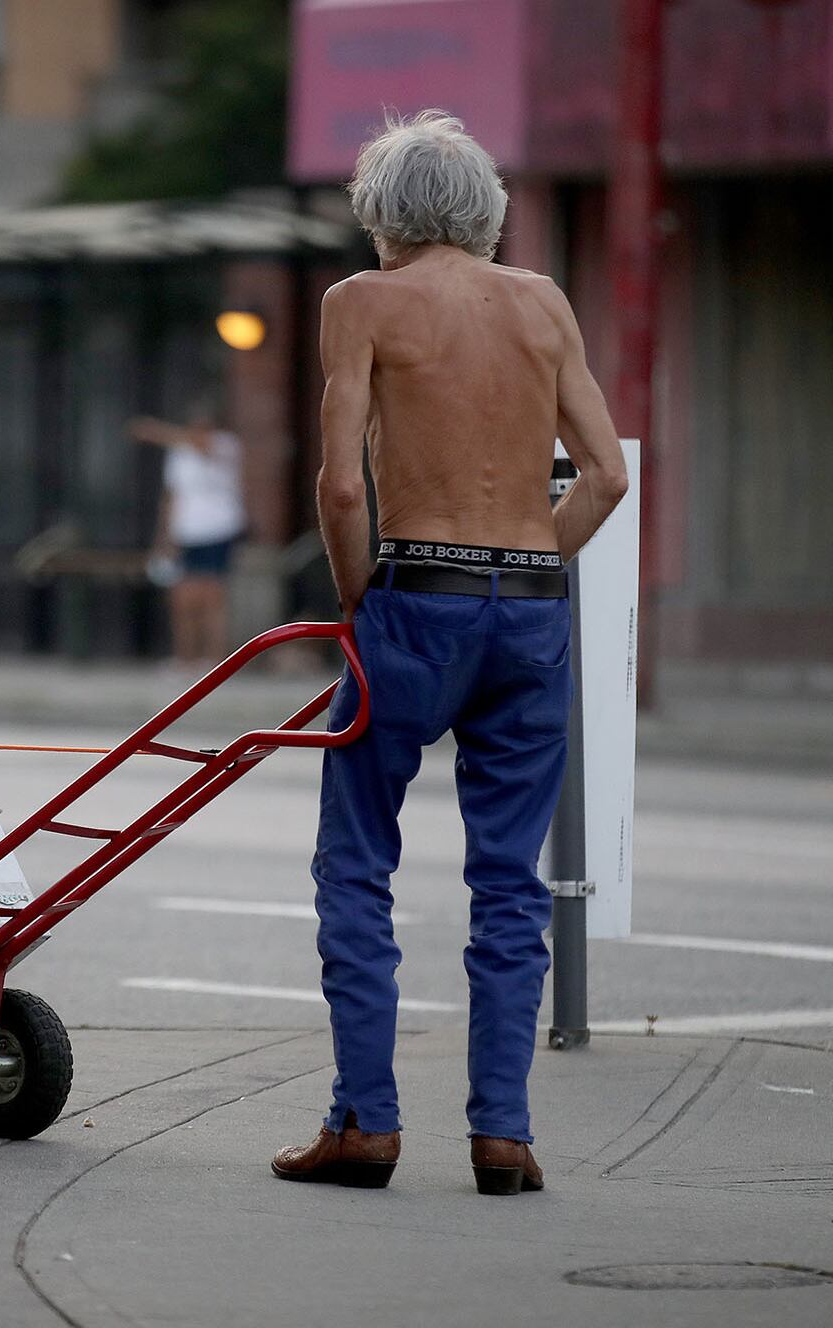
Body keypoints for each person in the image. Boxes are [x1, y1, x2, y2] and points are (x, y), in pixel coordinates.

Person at [269, 111, 629, 1196]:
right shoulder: (544, 303)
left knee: (356, 861)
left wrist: (359, 594)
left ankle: (365, 1123)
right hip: (526, 605)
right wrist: (521, 570)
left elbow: (341, 483)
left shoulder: (363, 302)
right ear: (485, 209)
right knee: (508, 878)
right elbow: (606, 475)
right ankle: (503, 1134)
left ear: (384, 213)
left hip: (412, 598)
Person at [129, 403, 245, 668]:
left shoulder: (228, 446)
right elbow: (172, 497)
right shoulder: (179, 454)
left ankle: (215, 660)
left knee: (212, 597)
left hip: (218, 530)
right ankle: (186, 658)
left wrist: (153, 431)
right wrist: (164, 538)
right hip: (187, 532)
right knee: (182, 598)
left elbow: (201, 445)